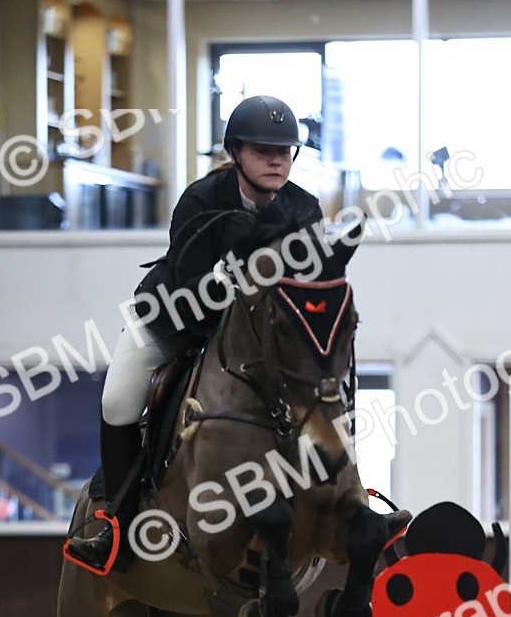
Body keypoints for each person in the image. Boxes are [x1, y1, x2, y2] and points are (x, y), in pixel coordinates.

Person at [67, 94, 323, 572]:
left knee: (322, 390)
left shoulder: (304, 209)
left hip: (257, 342)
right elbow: (191, 290)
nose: (275, 159)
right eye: (262, 149)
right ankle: (116, 526)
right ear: (234, 153)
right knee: (117, 400)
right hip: (173, 320)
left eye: (284, 150)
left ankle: (343, 506)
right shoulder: (202, 201)